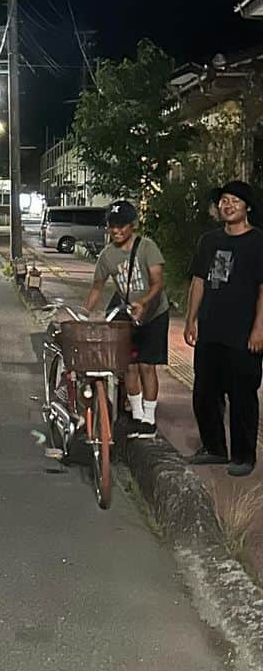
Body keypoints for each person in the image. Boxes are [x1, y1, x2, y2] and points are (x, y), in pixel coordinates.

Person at [184, 180, 263, 476]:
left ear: (247, 207)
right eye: (224, 201)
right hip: (210, 329)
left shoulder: (257, 242)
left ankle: (243, 456)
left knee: (243, 394)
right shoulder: (209, 241)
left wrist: (259, 329)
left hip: (243, 333)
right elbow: (198, 282)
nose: (227, 205)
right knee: (205, 392)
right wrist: (191, 320)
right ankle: (214, 447)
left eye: (235, 201)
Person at [82, 199, 169, 438]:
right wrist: (85, 313)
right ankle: (137, 416)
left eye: (122, 226)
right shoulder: (107, 256)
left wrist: (143, 303)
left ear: (133, 226)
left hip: (154, 313)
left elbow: (158, 282)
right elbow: (97, 288)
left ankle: (149, 421)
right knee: (128, 365)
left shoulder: (147, 247)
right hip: (127, 313)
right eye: (112, 226)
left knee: (147, 365)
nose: (117, 231)